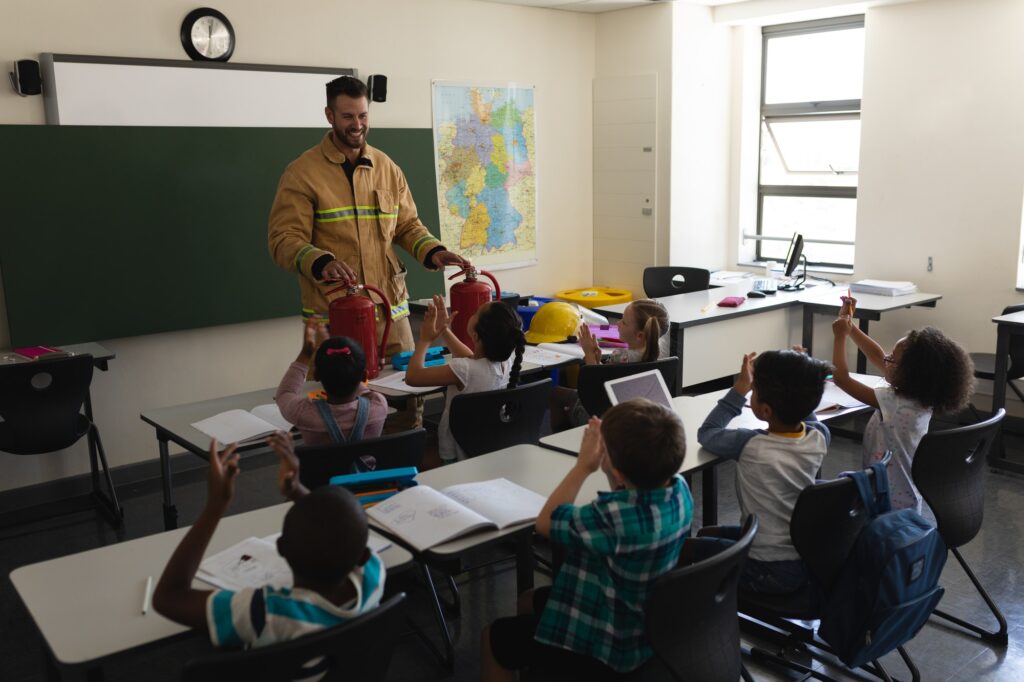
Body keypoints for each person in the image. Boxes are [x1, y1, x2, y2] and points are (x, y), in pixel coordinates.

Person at [267, 75, 469, 429]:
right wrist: (322, 261)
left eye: (362, 116)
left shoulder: (387, 168)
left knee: (409, 412)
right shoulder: (302, 173)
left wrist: (434, 251)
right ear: (329, 115)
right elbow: (283, 239)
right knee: (340, 420)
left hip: (394, 318)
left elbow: (407, 226)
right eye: (348, 117)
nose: (357, 125)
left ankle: (405, 478)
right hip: (336, 320)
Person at [481, 399, 692, 680]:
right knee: (528, 600)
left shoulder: (612, 516)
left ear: (616, 472)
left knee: (494, 638)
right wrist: (612, 464)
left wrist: (584, 466)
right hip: (647, 619)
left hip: (610, 643)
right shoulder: (680, 490)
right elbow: (626, 489)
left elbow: (546, 522)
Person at [152, 438, 385, 668]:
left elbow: (168, 597)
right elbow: (337, 528)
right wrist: (296, 490)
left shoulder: (266, 612)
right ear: (362, 556)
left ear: (281, 548)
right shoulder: (373, 574)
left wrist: (215, 506)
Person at [695, 350, 832, 594]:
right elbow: (807, 415)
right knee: (709, 532)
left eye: (754, 391)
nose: (751, 393)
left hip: (764, 570)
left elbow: (707, 433)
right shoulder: (819, 436)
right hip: (803, 558)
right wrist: (800, 372)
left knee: (687, 549)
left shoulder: (750, 445)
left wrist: (739, 389)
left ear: (766, 411)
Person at [832, 297, 974, 512]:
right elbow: (878, 356)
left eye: (892, 359)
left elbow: (842, 379)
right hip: (906, 498)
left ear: (912, 373)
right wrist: (849, 325)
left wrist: (840, 336)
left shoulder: (895, 405)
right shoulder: (919, 397)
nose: (886, 359)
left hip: (887, 500)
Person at [405, 295, 525, 462]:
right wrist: (444, 330)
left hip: (457, 451)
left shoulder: (465, 370)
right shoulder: (508, 360)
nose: (473, 312)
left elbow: (412, 377)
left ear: (475, 336)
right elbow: (472, 360)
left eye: (476, 312)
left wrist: (425, 340)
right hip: (486, 446)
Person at [550, 298, 669, 432]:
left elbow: (595, 389)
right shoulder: (656, 357)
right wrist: (598, 361)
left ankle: (563, 439)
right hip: (639, 418)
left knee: (555, 394)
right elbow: (611, 380)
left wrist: (589, 353)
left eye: (623, 322)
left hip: (606, 419)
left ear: (640, 335)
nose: (618, 324)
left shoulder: (621, 356)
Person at [276, 318, 388, 447]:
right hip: (370, 468)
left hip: (323, 468)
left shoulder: (305, 413)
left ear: (316, 375)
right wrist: (343, 365)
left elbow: (285, 393)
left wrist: (306, 353)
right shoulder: (378, 405)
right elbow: (357, 380)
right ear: (364, 375)